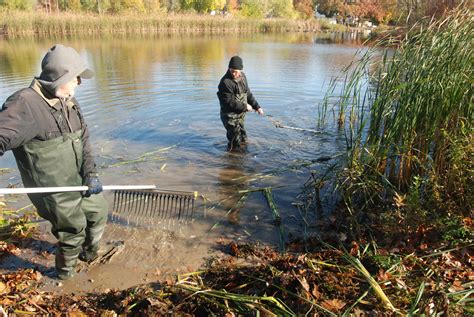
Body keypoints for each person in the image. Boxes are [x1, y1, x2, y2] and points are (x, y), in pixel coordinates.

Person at [0, 44, 107, 280]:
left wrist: (91, 173)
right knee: (73, 230)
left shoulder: (68, 100)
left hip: (78, 179)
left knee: (99, 212)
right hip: (53, 190)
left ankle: (89, 256)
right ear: (61, 76)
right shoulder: (24, 104)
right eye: (76, 77)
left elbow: (84, 139)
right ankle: (64, 276)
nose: (80, 82)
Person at [217, 56, 264, 151]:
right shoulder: (225, 82)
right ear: (229, 68)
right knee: (235, 142)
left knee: (243, 139)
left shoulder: (243, 77)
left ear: (241, 70)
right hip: (229, 116)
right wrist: (245, 106)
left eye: (236, 71)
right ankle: (232, 160)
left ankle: (241, 158)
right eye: (232, 70)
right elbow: (229, 102)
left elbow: (248, 94)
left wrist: (257, 107)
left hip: (240, 115)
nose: (234, 73)